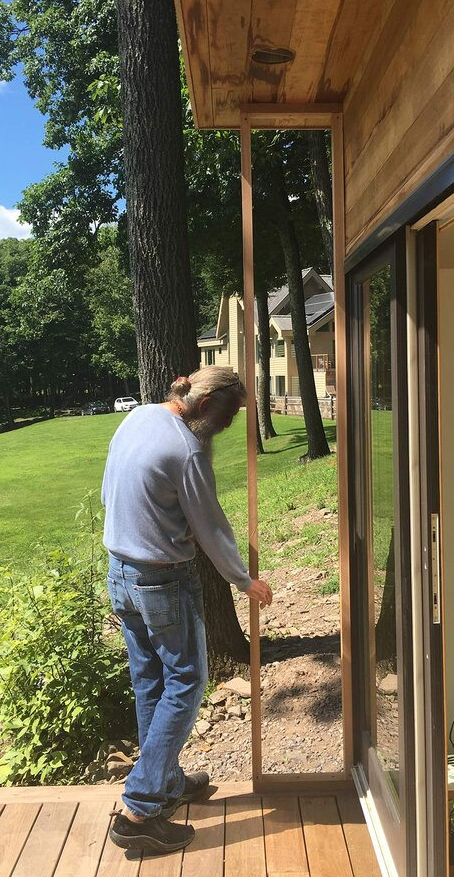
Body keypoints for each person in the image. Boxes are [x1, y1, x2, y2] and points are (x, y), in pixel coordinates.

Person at [102, 366, 273, 854]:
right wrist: (244, 580)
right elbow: (211, 526)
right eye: (229, 414)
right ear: (202, 407)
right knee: (186, 682)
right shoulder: (186, 449)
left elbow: (113, 488)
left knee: (151, 682)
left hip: (120, 573)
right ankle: (138, 808)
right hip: (161, 579)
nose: (230, 423)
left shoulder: (136, 419)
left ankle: (168, 783)